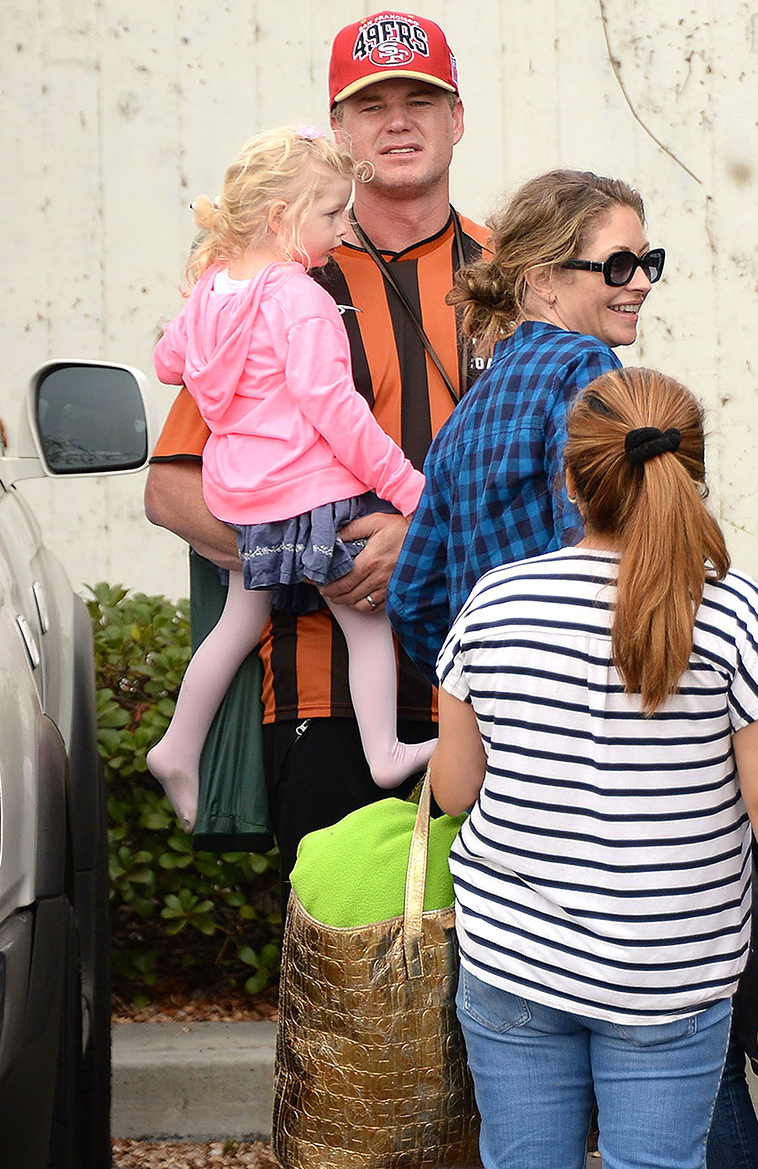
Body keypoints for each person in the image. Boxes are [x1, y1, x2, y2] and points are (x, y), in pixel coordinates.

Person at [427, 366, 758, 1169]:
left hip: (513, 958)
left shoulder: (497, 600)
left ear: (573, 483)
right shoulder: (734, 613)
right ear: (695, 478)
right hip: (671, 970)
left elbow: (455, 789)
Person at [143, 12, 488, 876]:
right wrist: (313, 555)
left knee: (501, 997)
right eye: (372, 106)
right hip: (318, 694)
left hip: (499, 686)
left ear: (459, 117)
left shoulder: (514, 272)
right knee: (340, 991)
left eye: (422, 99)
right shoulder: (275, 275)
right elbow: (173, 492)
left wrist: (423, 535)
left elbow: (581, 485)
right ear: (339, 131)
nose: (398, 122)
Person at [146, 124, 435, 833]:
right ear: (282, 219)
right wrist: (411, 490)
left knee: (236, 623)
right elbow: (337, 412)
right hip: (311, 494)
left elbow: (166, 362)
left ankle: (177, 744)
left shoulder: (213, 291)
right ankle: (386, 750)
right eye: (333, 212)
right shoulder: (300, 299)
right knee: (366, 620)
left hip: (242, 497)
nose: (345, 226)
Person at [386, 167, 662, 679]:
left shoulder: (465, 414)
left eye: (649, 262)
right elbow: (598, 546)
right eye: (620, 265)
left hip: (501, 725)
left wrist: (481, 683)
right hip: (584, 695)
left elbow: (410, 601)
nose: (642, 281)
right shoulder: (585, 364)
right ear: (543, 278)